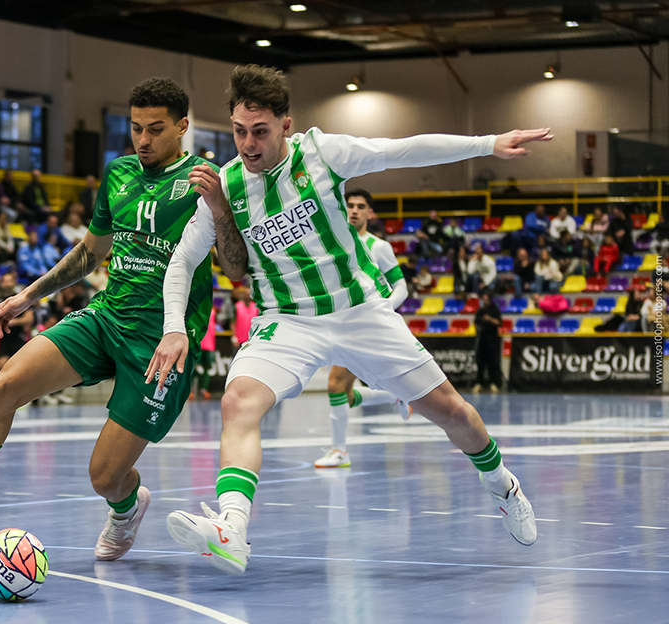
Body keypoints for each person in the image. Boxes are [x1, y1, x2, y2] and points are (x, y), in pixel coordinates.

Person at [148, 64, 546, 575]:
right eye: (239, 131)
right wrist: (174, 327)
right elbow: (183, 259)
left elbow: (401, 149)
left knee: (451, 412)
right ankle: (232, 528)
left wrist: (488, 143)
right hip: (288, 319)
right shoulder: (224, 186)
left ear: (286, 125)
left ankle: (503, 486)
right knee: (238, 400)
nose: (248, 145)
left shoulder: (321, 153)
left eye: (261, 132)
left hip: (359, 310)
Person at [0, 78, 218, 563]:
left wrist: (224, 209)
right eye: (135, 128)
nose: (142, 140)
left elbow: (236, 255)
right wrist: (28, 295)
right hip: (107, 318)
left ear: (183, 127)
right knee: (4, 386)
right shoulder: (120, 173)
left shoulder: (205, 181)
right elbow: (90, 253)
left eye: (156, 129)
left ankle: (126, 506)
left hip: (161, 342)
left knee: (105, 477)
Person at [314, 188, 411, 469]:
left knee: (335, 384)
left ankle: (340, 451)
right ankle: (393, 394)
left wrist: (384, 309)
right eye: (350, 205)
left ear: (370, 213)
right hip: (342, 323)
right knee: (342, 393)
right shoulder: (330, 243)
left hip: (368, 325)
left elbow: (402, 286)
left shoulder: (379, 247)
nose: (354, 210)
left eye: (360, 206)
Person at [471, 289, 503, 394]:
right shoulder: (481, 310)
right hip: (482, 339)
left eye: (486, 297)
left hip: (492, 340)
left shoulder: (494, 310)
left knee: (492, 362)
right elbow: (475, 322)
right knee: (480, 362)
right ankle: (479, 383)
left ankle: (493, 383)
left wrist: (489, 319)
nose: (484, 299)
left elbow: (499, 323)